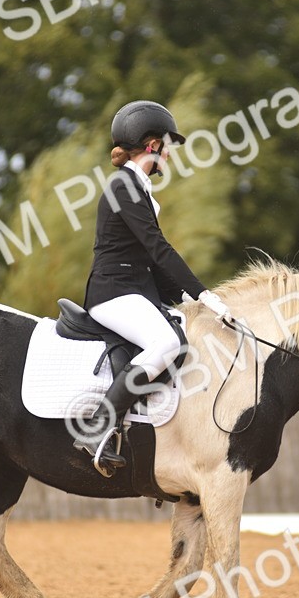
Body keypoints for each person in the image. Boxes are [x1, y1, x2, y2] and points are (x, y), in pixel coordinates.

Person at [74, 99, 232, 474]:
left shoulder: (139, 189)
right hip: (113, 292)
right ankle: (98, 427)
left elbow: (151, 262)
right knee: (166, 343)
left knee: (180, 333)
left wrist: (187, 301)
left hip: (133, 289)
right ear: (153, 145)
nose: (170, 155)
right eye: (168, 146)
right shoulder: (123, 186)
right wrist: (204, 294)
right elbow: (158, 249)